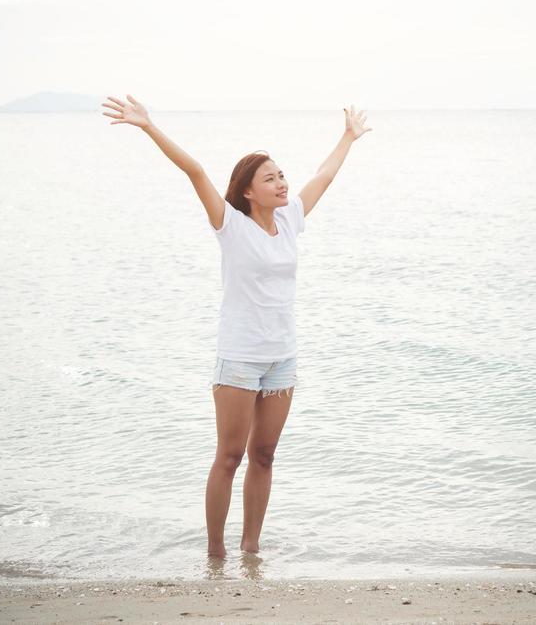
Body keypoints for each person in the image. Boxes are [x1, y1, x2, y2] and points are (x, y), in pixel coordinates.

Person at [101, 94, 372, 558]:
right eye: (270, 178)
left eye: (282, 174)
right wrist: (148, 126)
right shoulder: (230, 224)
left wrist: (348, 136)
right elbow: (195, 171)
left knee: (264, 456)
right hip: (240, 358)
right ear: (248, 190)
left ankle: (250, 549)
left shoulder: (290, 220)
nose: (282, 182)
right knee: (230, 457)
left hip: (282, 358)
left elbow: (324, 175)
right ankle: (215, 552)